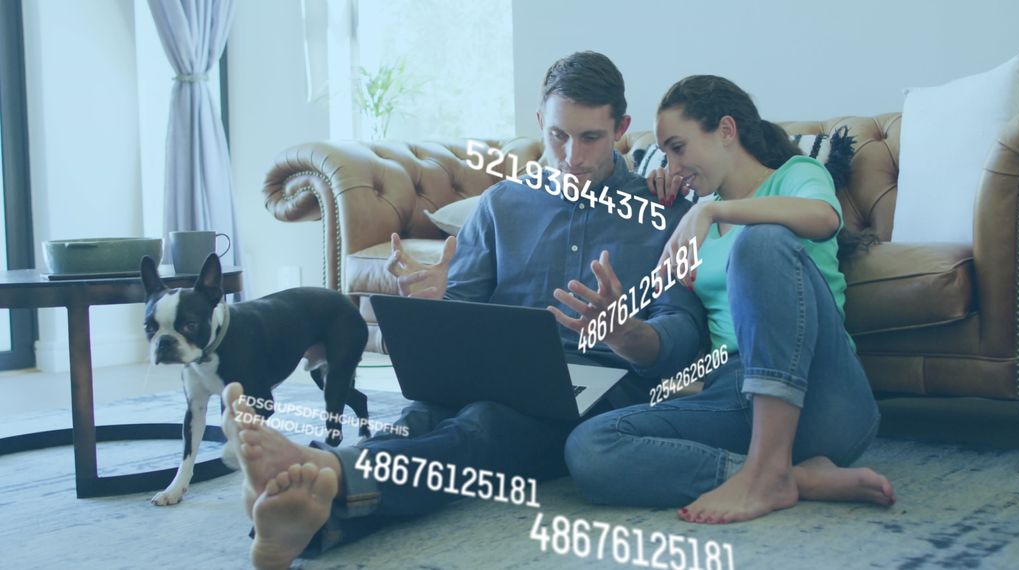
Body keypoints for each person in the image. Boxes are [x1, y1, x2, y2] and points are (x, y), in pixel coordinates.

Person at [222, 51, 707, 569]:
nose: (572, 156)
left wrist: (625, 332)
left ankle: (320, 471)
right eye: (559, 136)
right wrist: (435, 303)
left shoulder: (666, 213)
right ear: (541, 124)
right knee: (419, 418)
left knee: (482, 427)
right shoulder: (502, 204)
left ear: (621, 131)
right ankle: (310, 518)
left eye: (590, 138)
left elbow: (684, 333)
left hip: (602, 390)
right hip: (499, 373)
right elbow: (463, 313)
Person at [564, 75, 896, 526]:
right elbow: (686, 329)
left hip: (821, 395)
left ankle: (768, 467)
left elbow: (823, 218)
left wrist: (714, 210)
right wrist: (624, 327)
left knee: (758, 244)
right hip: (735, 393)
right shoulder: (692, 219)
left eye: (679, 148)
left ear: (725, 130)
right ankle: (785, 476)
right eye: (665, 154)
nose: (673, 165)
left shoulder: (794, 177)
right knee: (590, 446)